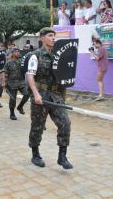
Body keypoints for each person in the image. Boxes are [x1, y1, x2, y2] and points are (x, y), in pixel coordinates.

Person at [26, 27, 73, 169]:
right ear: (42, 38)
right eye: (50, 35)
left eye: (54, 36)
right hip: (41, 93)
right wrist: (35, 94)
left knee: (65, 123)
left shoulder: (58, 55)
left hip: (55, 94)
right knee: (37, 126)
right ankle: (35, 153)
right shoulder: (35, 55)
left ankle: (62, 156)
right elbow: (30, 76)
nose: (53, 38)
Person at [0, 48, 30, 120]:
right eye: (16, 52)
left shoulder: (22, 61)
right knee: (13, 99)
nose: (18, 53)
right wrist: (3, 82)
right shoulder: (9, 62)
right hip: (12, 83)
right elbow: (3, 72)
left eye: (19, 52)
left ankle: (20, 107)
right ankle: (12, 113)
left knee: (27, 94)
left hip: (21, 82)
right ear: (12, 53)